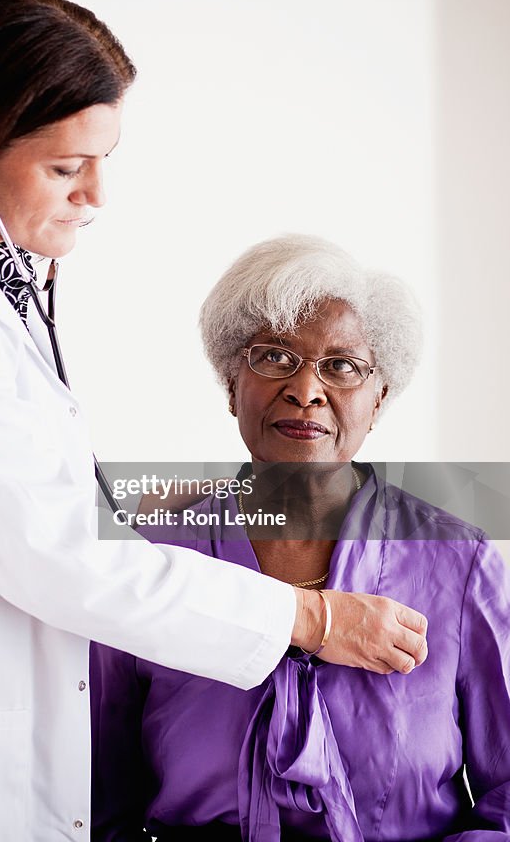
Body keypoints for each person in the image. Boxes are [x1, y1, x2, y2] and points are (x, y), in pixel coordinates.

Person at [0, 0, 427, 842]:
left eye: (341, 368)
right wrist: (308, 617)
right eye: (65, 168)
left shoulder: (454, 556)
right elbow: (59, 554)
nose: (94, 196)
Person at [91, 235, 510, 841]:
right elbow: (101, 796)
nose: (306, 389)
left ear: (379, 397)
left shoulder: (458, 560)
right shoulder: (150, 559)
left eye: (342, 365)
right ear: (231, 383)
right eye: (275, 357)